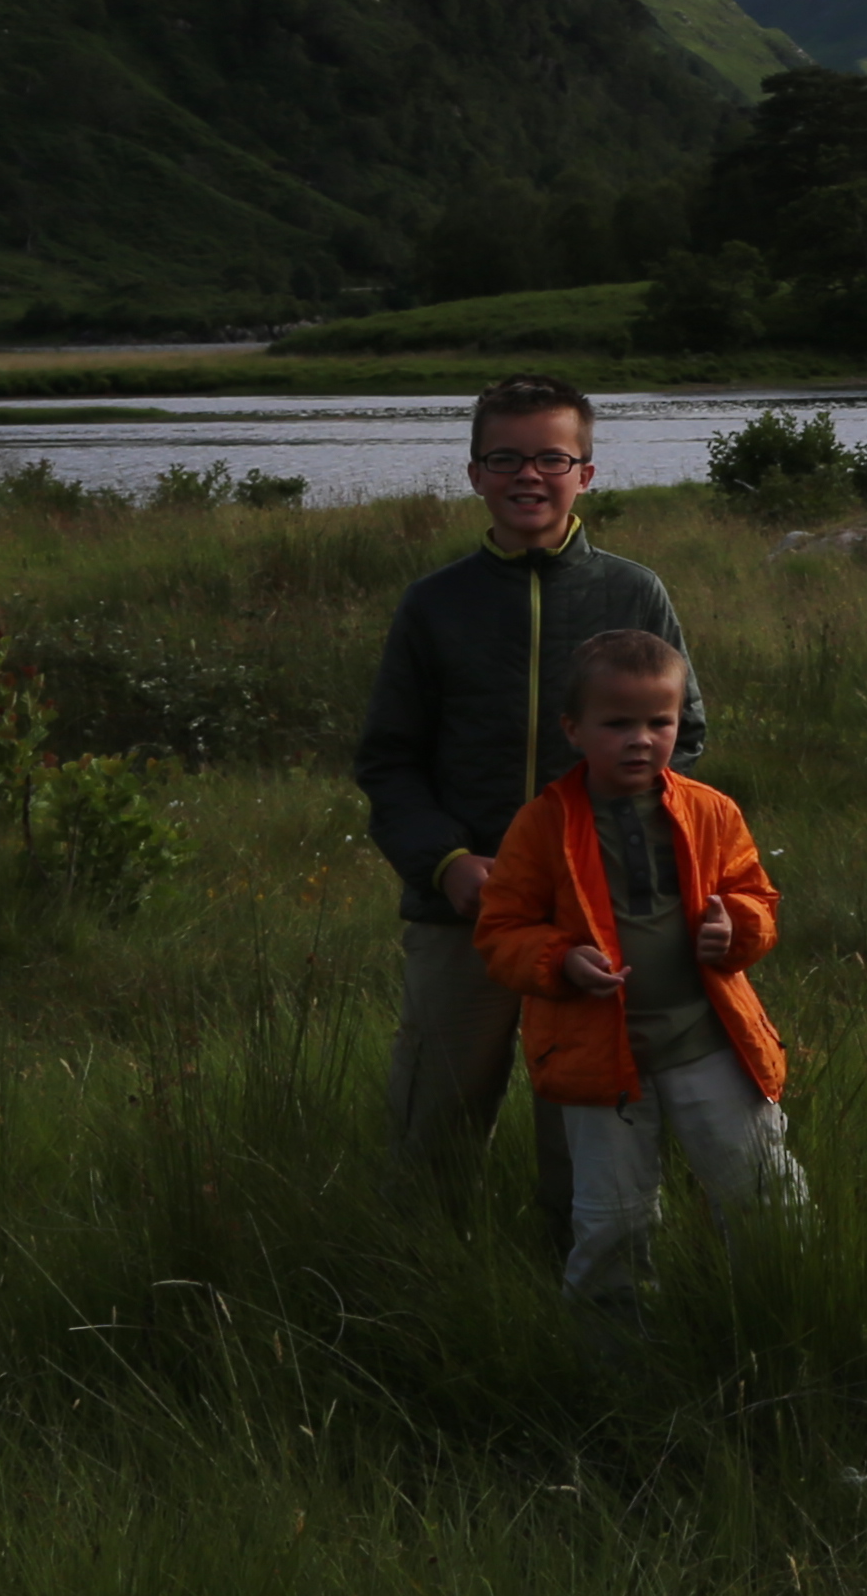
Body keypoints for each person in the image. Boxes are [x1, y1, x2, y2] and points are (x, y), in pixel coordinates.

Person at [353, 379, 698, 1217]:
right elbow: (389, 761)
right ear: (475, 473)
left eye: (552, 456)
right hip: (461, 914)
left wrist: (617, 863)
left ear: (588, 471)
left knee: (585, 1133)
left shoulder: (633, 593)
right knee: (433, 1119)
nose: (529, 476)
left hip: (595, 914)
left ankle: (579, 1289)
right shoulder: (435, 604)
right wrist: (447, 864)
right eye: (507, 457)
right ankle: (426, 1283)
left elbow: (679, 741)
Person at [471, 629, 798, 1300]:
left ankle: (788, 1313)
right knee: (613, 1221)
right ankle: (615, 1361)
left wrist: (733, 925)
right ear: (574, 729)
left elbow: (756, 897)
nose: (641, 739)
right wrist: (561, 961)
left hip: (709, 1044)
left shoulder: (711, 811)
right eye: (617, 723)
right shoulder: (541, 825)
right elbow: (500, 931)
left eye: (660, 721)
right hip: (600, 1058)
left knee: (764, 1195)